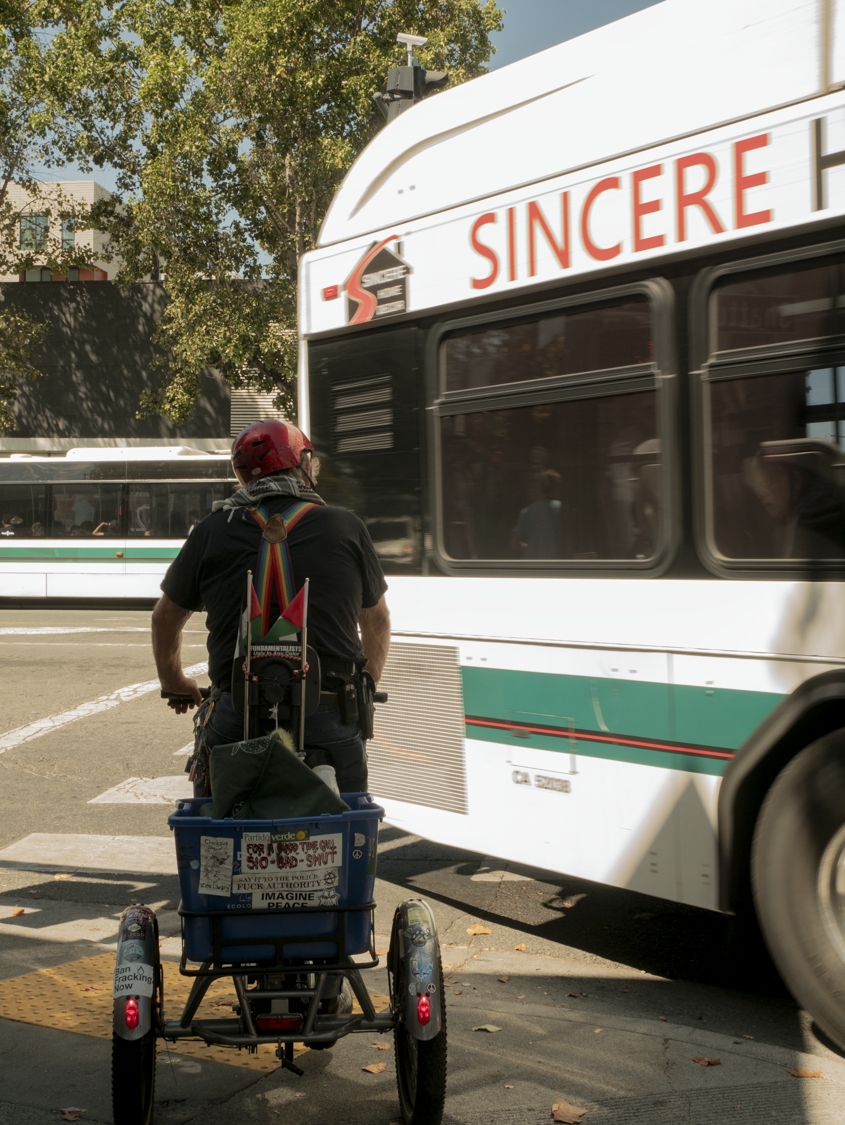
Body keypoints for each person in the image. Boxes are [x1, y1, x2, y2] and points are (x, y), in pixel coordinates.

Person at [151, 419, 391, 796]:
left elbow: (166, 617)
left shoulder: (211, 529)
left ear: (245, 477)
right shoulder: (345, 526)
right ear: (302, 466)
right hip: (330, 711)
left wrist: (174, 682)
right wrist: (367, 684)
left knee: (221, 829)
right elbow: (376, 622)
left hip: (235, 711)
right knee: (346, 829)